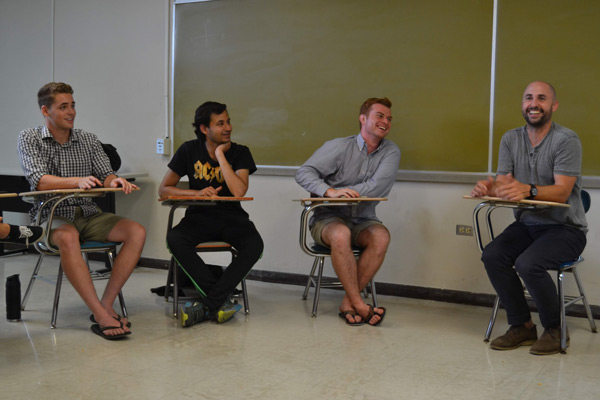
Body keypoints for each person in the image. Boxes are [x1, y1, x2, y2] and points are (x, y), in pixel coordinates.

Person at [18, 82, 146, 340]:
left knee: (137, 231)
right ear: (46, 110)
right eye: (63, 107)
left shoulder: (88, 138)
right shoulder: (29, 137)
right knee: (67, 236)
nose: (71, 112)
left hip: (87, 213)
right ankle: (99, 313)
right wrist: (76, 181)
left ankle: (105, 305)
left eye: (73, 105)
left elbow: (106, 174)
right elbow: (39, 179)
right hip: (51, 215)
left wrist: (115, 182)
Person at [471, 81, 587, 355]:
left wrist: (530, 189)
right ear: (522, 104)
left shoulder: (566, 140)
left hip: (565, 228)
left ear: (553, 106)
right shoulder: (510, 139)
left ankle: (556, 329)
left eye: (541, 98)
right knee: (492, 255)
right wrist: (490, 188)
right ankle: (522, 326)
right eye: (528, 98)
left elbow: (562, 192)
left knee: (528, 263)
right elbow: (504, 185)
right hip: (527, 224)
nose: (534, 103)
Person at [295, 97, 400, 326]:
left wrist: (344, 191)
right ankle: (360, 304)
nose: (385, 122)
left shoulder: (390, 151)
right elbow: (304, 173)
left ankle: (348, 303)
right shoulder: (339, 146)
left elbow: (378, 186)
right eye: (379, 116)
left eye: (389, 118)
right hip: (327, 219)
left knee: (381, 236)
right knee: (340, 234)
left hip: (363, 219)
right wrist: (330, 192)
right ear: (363, 118)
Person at [158, 101, 263, 327]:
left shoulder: (241, 152)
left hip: (232, 217)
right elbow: (164, 189)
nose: (228, 127)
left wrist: (220, 155)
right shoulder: (188, 150)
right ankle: (218, 300)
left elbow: (238, 191)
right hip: (199, 216)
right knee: (175, 239)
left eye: (228, 121)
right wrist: (196, 193)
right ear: (205, 129)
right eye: (220, 123)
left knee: (254, 245)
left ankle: (208, 303)